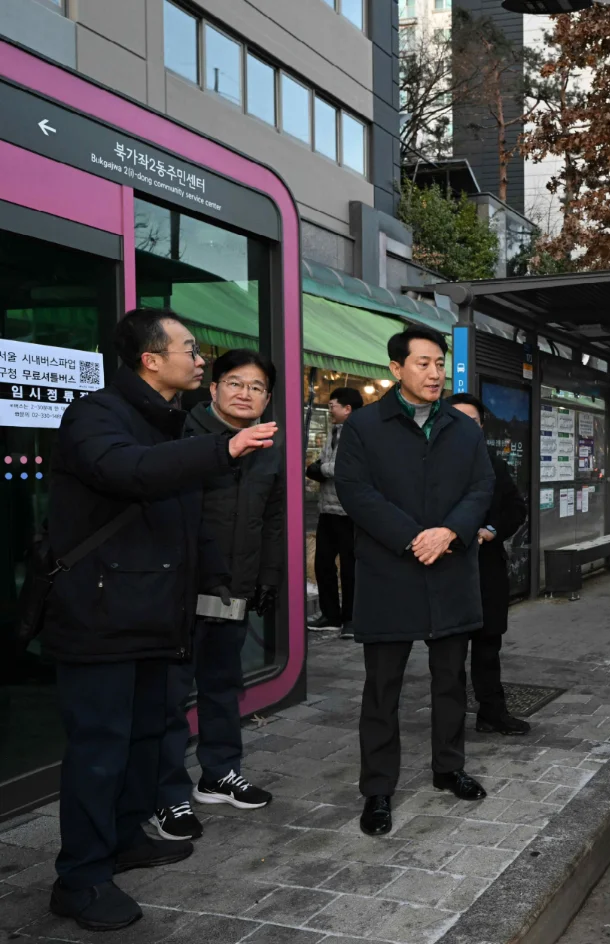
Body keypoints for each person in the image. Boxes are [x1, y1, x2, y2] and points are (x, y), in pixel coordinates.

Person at [43, 308, 275, 931]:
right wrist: (223, 447)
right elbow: (128, 472)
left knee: (145, 737)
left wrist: (219, 578)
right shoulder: (96, 415)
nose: (201, 360)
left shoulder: (167, 422)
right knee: (98, 750)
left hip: (155, 614)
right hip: (99, 615)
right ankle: (80, 878)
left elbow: (185, 518)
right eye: (190, 349)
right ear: (151, 360)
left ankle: (125, 836)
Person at [335, 326, 495, 836]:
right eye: (423, 363)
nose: (434, 373)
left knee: (451, 680)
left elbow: (482, 486)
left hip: (449, 568)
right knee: (383, 688)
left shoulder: (463, 427)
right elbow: (355, 491)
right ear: (396, 368)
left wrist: (449, 532)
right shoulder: (364, 426)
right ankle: (378, 789)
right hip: (390, 572)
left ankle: (449, 768)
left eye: (439, 364)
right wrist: (412, 538)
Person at [152, 350, 283, 842]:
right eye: (235, 383)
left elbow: (272, 520)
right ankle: (166, 795)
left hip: (234, 590)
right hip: (180, 592)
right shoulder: (180, 437)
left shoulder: (268, 446)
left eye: (257, 387)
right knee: (168, 698)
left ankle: (219, 774)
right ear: (213, 389)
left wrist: (267, 578)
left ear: (267, 399)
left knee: (223, 686)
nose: (245, 394)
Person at [446, 393, 530, 735]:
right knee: (449, 654)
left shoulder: (494, 464)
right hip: (447, 569)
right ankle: (449, 720)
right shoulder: (428, 465)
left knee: (487, 648)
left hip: (486, 567)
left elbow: (515, 508)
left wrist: (492, 530)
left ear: (481, 427)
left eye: (472, 421)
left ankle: (492, 713)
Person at [308, 386, 363, 635]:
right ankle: (330, 615)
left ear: (347, 408)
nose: (329, 410)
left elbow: (349, 467)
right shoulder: (334, 430)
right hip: (327, 509)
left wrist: (319, 469)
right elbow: (324, 461)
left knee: (350, 567)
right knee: (323, 564)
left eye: (332, 406)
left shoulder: (358, 432)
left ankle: (352, 619)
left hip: (349, 511)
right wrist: (317, 468)